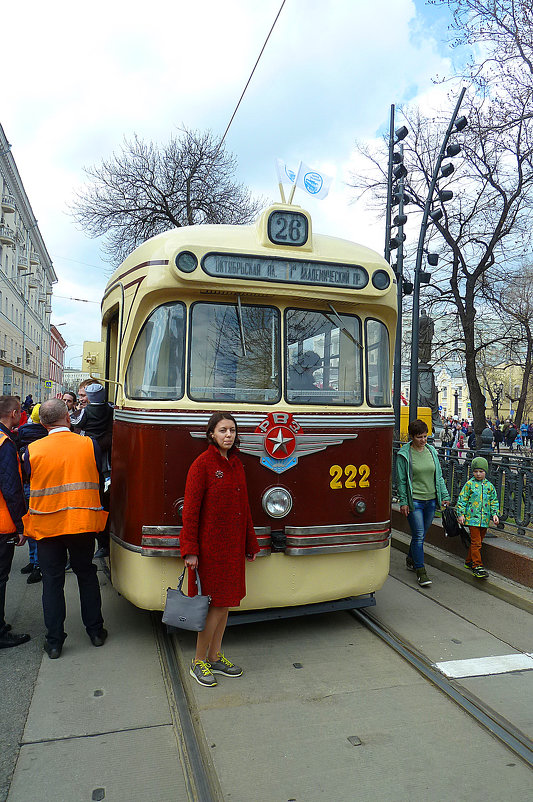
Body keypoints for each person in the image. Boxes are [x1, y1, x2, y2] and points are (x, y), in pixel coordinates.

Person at [22, 399, 108, 659]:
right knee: (86, 575)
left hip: (47, 526)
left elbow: (28, 482)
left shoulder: (32, 450)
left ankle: (55, 642)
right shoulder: (88, 444)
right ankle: (95, 632)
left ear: (43, 423)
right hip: (82, 523)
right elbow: (100, 477)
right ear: (68, 418)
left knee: (52, 581)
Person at [179, 412, 260, 687]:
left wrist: (250, 543)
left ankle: (214, 656)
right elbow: (190, 512)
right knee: (211, 607)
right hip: (210, 551)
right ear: (211, 433)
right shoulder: (201, 465)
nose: (229, 435)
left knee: (225, 606)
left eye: (233, 430)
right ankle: (198, 661)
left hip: (232, 549)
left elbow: (244, 509)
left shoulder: (236, 465)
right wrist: (190, 549)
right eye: (223, 430)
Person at [396, 419, 450, 587]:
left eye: (425, 436)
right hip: (415, 502)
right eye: (419, 437)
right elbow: (401, 481)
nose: (423, 440)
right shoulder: (404, 455)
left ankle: (411, 559)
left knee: (420, 535)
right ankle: (421, 571)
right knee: (419, 535)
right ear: (411, 437)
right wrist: (404, 502)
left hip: (431, 501)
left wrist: (444, 495)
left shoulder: (431, 451)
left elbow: (438, 476)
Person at [0, 396, 31, 648]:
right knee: (0, 577)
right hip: (2, 523)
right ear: (13, 413)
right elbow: (11, 488)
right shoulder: (5, 443)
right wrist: (21, 526)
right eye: (19, 412)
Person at [17, 403, 48, 584]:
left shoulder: (22, 432)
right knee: (37, 527)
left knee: (29, 524)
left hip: (26, 485)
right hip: (40, 485)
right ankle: (37, 565)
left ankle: (32, 561)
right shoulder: (45, 436)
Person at [457, 457, 499, 580]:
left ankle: (468, 561)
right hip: (472, 519)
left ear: (485, 472)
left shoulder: (489, 486)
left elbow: (494, 501)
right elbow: (462, 499)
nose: (478, 474)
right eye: (476, 471)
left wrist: (495, 514)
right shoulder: (469, 484)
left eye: (481, 471)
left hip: (484, 520)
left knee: (477, 542)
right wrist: (461, 514)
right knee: (476, 543)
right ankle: (477, 566)